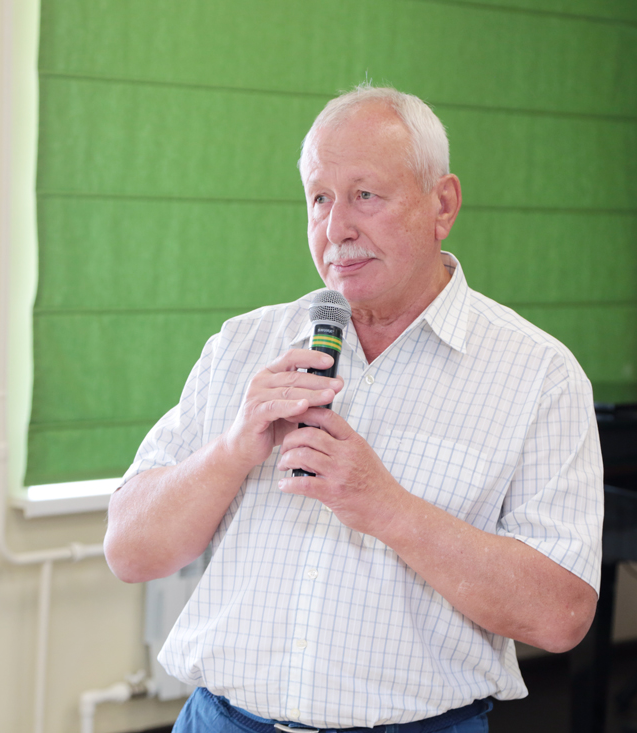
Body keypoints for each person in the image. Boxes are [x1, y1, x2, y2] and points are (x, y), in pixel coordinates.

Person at [105, 84, 604, 733]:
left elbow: (561, 615)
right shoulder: (242, 346)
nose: (336, 228)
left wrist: (385, 506)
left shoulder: (539, 375)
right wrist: (231, 451)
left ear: (443, 204)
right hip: (220, 720)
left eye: (365, 195)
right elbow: (129, 551)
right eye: (320, 198)